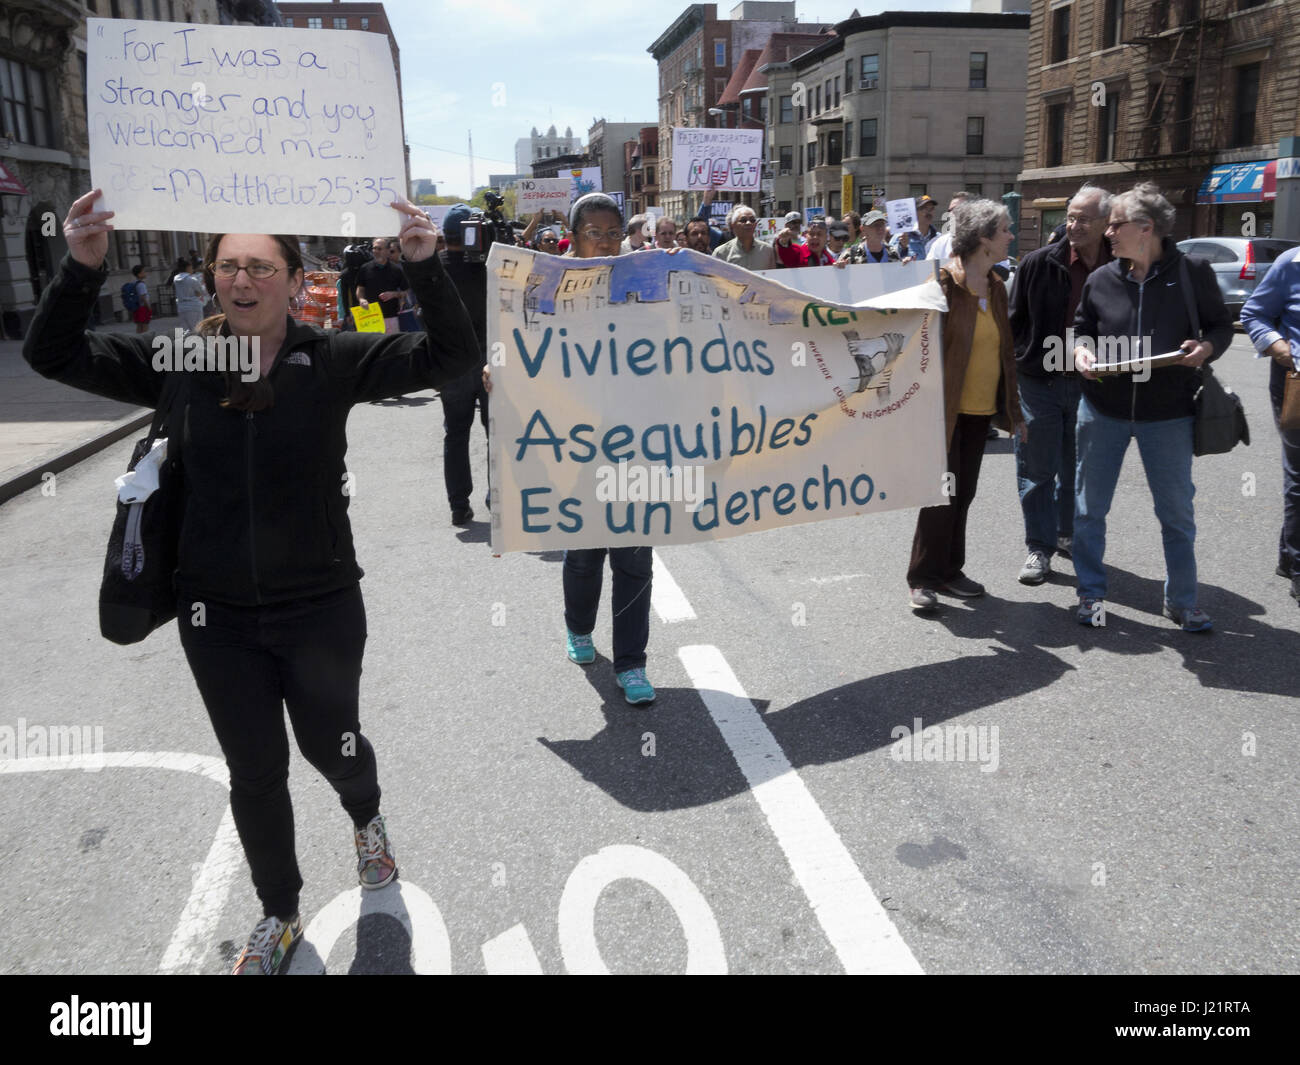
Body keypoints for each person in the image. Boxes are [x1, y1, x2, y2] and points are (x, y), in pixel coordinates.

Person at [24, 189, 479, 974]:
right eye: (228, 264)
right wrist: (81, 267)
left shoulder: (330, 358)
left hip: (321, 607)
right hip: (217, 617)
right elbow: (52, 354)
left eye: (260, 265)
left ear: (293, 279)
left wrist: (425, 266)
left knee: (331, 747)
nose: (242, 278)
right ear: (213, 277)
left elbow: (451, 359)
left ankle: (365, 818)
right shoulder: (181, 362)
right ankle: (279, 909)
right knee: (256, 770)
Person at [1071, 182, 1232, 630]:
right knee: (1089, 508)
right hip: (1102, 409)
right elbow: (1081, 328)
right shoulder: (1103, 277)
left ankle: (1182, 600)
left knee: (1176, 512)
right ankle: (1091, 595)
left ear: (1145, 229)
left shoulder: (1193, 273)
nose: (1108, 233)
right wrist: (1081, 352)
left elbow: (1221, 327)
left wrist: (1205, 347)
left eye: (1116, 224)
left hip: (1169, 415)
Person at [908, 198, 1025, 612]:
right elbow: (895, 319)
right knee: (942, 492)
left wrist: (1013, 410)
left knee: (965, 492)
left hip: (979, 412)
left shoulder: (995, 287)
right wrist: (848, 279)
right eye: (1006, 229)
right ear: (983, 239)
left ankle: (950, 571)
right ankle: (923, 578)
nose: (1012, 235)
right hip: (945, 409)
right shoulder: (942, 283)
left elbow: (1005, 353)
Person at [1008, 184, 1113, 585]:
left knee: (1077, 469)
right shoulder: (1038, 263)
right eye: (1070, 217)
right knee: (1037, 467)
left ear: (1106, 223)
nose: (1073, 225)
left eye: (1083, 219)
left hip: (1093, 384)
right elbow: (1013, 323)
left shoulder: (1117, 267)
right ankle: (1039, 546)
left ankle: (1065, 535)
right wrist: (1019, 369)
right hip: (1040, 382)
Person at [1239, 247, 1300, 603]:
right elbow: (1254, 313)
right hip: (1295, 381)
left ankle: (1288, 552)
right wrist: (1278, 347)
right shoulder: (1291, 263)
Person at [437, 203, 491, 526]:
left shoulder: (434, 266)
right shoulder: (489, 264)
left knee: (455, 433)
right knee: (494, 431)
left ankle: (459, 504)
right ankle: (495, 496)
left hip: (452, 361)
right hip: (488, 357)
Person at [355, 235, 408, 333]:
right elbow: (360, 289)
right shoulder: (365, 268)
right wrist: (361, 299)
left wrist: (394, 294)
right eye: (374, 248)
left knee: (391, 347)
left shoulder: (396, 270)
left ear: (388, 251)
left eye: (379, 249)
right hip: (370, 317)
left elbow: (406, 291)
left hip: (391, 317)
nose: (376, 251)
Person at [712, 205, 777, 270]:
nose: (748, 223)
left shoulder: (767, 250)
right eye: (743, 220)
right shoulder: (721, 253)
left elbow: (772, 277)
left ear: (755, 224)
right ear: (733, 225)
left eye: (752, 220)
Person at [926, 192, 975, 263]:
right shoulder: (940, 243)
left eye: (956, 208)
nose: (951, 213)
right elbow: (928, 270)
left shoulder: (986, 241)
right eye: (949, 210)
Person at [890, 194, 940, 261]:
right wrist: (902, 247)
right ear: (914, 212)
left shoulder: (939, 238)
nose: (929, 213)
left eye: (931, 209)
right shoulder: (900, 237)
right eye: (924, 209)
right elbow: (890, 260)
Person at [173, 257, 207, 333]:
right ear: (188, 267)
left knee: (185, 330)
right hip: (193, 306)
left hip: (181, 306)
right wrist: (204, 284)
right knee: (197, 329)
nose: (192, 269)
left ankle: (187, 344)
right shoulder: (192, 279)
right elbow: (202, 292)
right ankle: (197, 344)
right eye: (191, 267)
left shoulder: (175, 278)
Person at [128, 264, 151, 333]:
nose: (145, 273)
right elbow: (143, 297)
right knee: (145, 326)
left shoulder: (135, 283)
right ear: (139, 274)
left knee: (139, 325)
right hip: (143, 308)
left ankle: (138, 340)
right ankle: (144, 340)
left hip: (137, 308)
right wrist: (149, 307)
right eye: (144, 272)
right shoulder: (141, 285)